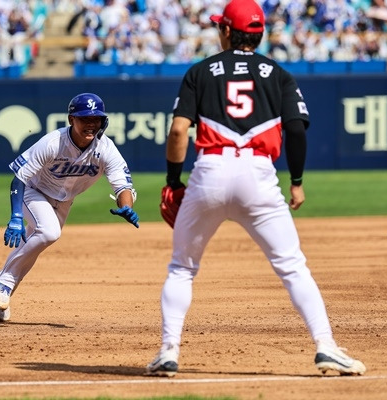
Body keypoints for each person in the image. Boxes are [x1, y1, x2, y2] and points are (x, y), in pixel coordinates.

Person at [145, 0, 366, 377]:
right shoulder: (278, 74)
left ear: (227, 31)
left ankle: (168, 351)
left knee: (182, 268)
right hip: (259, 175)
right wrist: (296, 182)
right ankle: (326, 345)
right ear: (259, 33)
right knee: (293, 267)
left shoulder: (199, 71)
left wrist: (172, 181)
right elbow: (296, 130)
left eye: (220, 26)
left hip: (210, 171)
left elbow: (179, 131)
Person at [0, 92, 139, 322]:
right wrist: (16, 216)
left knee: (33, 245)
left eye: (95, 119)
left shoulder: (105, 148)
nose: (91, 124)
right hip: (33, 191)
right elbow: (19, 177)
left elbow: (122, 185)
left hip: (64, 201)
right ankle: (4, 284)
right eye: (84, 118)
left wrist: (126, 205)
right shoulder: (52, 142)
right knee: (49, 232)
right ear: (71, 120)